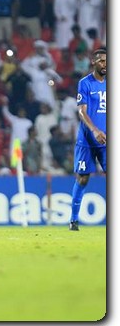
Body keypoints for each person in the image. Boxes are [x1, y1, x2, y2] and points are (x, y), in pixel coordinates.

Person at [69, 47, 106, 231]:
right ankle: (73, 220)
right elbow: (81, 111)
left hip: (107, 141)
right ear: (94, 62)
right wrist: (94, 130)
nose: (105, 64)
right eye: (101, 61)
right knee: (83, 179)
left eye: (107, 61)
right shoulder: (85, 83)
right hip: (87, 140)